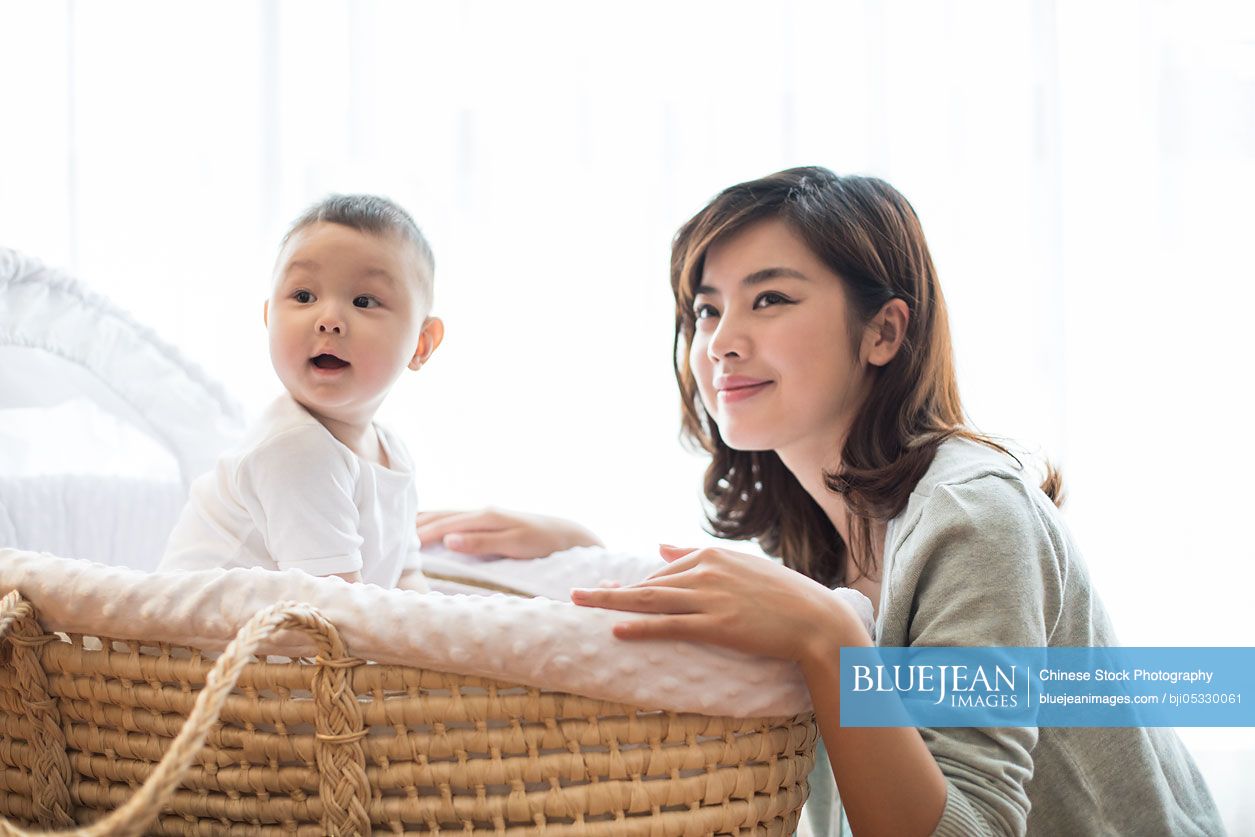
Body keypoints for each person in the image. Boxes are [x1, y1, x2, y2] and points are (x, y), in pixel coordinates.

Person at [415, 167, 1223, 835]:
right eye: (706, 308)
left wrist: (829, 640)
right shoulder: (817, 543)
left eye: (769, 299)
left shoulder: (972, 517)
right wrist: (581, 554)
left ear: (883, 333)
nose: (722, 338)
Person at [160, 194, 442, 591]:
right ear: (268, 318)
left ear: (421, 343)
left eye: (364, 301)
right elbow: (335, 612)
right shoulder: (296, 449)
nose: (329, 320)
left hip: (293, 644)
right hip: (201, 647)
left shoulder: (393, 452)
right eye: (304, 296)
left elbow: (407, 580)